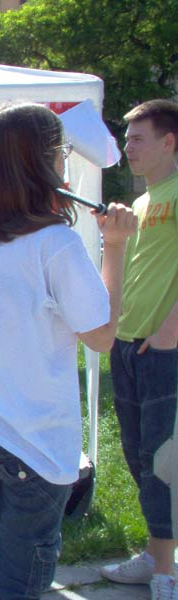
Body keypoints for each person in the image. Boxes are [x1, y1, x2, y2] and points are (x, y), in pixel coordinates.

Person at [0, 102, 137, 599]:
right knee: (18, 580)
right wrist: (115, 247)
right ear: (44, 159)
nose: (64, 161)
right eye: (60, 151)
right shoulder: (53, 242)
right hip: (31, 437)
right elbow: (101, 335)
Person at [100, 99, 178, 600]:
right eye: (127, 138)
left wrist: (171, 331)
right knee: (137, 455)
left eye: (137, 138)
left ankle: (165, 570)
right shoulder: (145, 201)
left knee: (162, 458)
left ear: (169, 141)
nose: (127, 147)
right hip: (129, 346)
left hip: (163, 349)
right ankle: (156, 552)